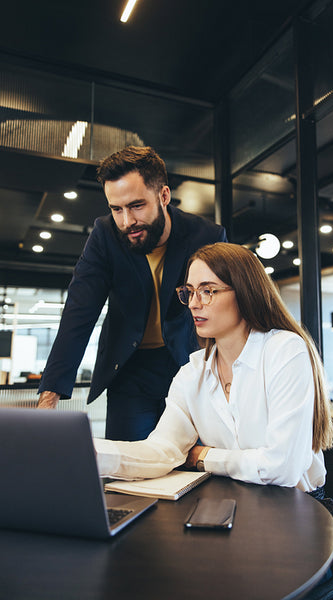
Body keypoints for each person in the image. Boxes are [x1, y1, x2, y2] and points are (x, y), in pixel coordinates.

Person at [94, 242, 333, 492]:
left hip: (297, 510)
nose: (193, 304)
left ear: (245, 292)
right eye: (189, 292)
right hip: (236, 501)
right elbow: (162, 451)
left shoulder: (284, 350)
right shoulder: (192, 372)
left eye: (207, 290)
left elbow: (282, 468)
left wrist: (205, 456)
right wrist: (87, 451)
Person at [37, 146, 227, 441]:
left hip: (190, 368)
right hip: (129, 370)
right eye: (116, 209)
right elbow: (79, 312)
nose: (127, 221)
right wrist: (47, 404)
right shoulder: (105, 235)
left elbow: (226, 310)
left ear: (163, 196)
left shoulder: (207, 236)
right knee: (128, 471)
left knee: (192, 466)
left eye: (137, 205)